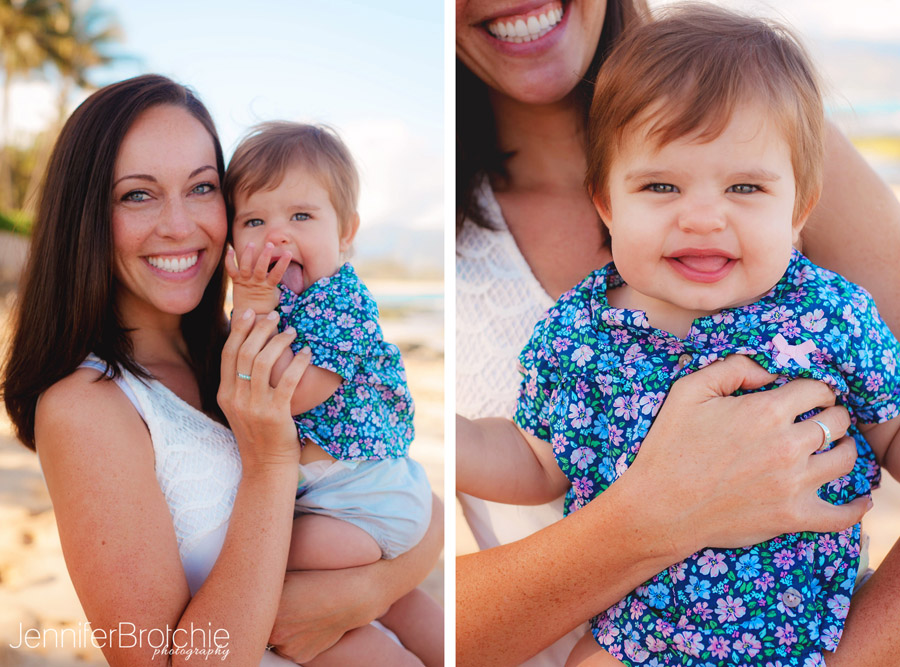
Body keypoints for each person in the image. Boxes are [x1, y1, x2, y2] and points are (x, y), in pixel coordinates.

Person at [455, 1, 900, 665]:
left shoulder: (830, 314)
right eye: (661, 186)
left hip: (807, 641)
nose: (701, 217)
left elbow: (890, 426)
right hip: (630, 646)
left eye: (745, 188)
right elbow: (535, 456)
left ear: (801, 207)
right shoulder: (580, 330)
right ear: (606, 202)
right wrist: (449, 439)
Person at [0, 74, 442, 666]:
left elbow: (423, 508)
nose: (180, 225)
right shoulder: (87, 406)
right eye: (138, 194)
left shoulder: (245, 347)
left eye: (202, 187)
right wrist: (269, 464)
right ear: (86, 216)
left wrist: (364, 592)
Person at [224, 121, 442, 666]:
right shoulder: (284, 307)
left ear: (346, 233)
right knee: (403, 605)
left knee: (271, 561)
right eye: (254, 220)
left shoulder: (339, 300)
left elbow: (291, 394)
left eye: (300, 216)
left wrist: (253, 305)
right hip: (345, 494)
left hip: (365, 500)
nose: (276, 236)